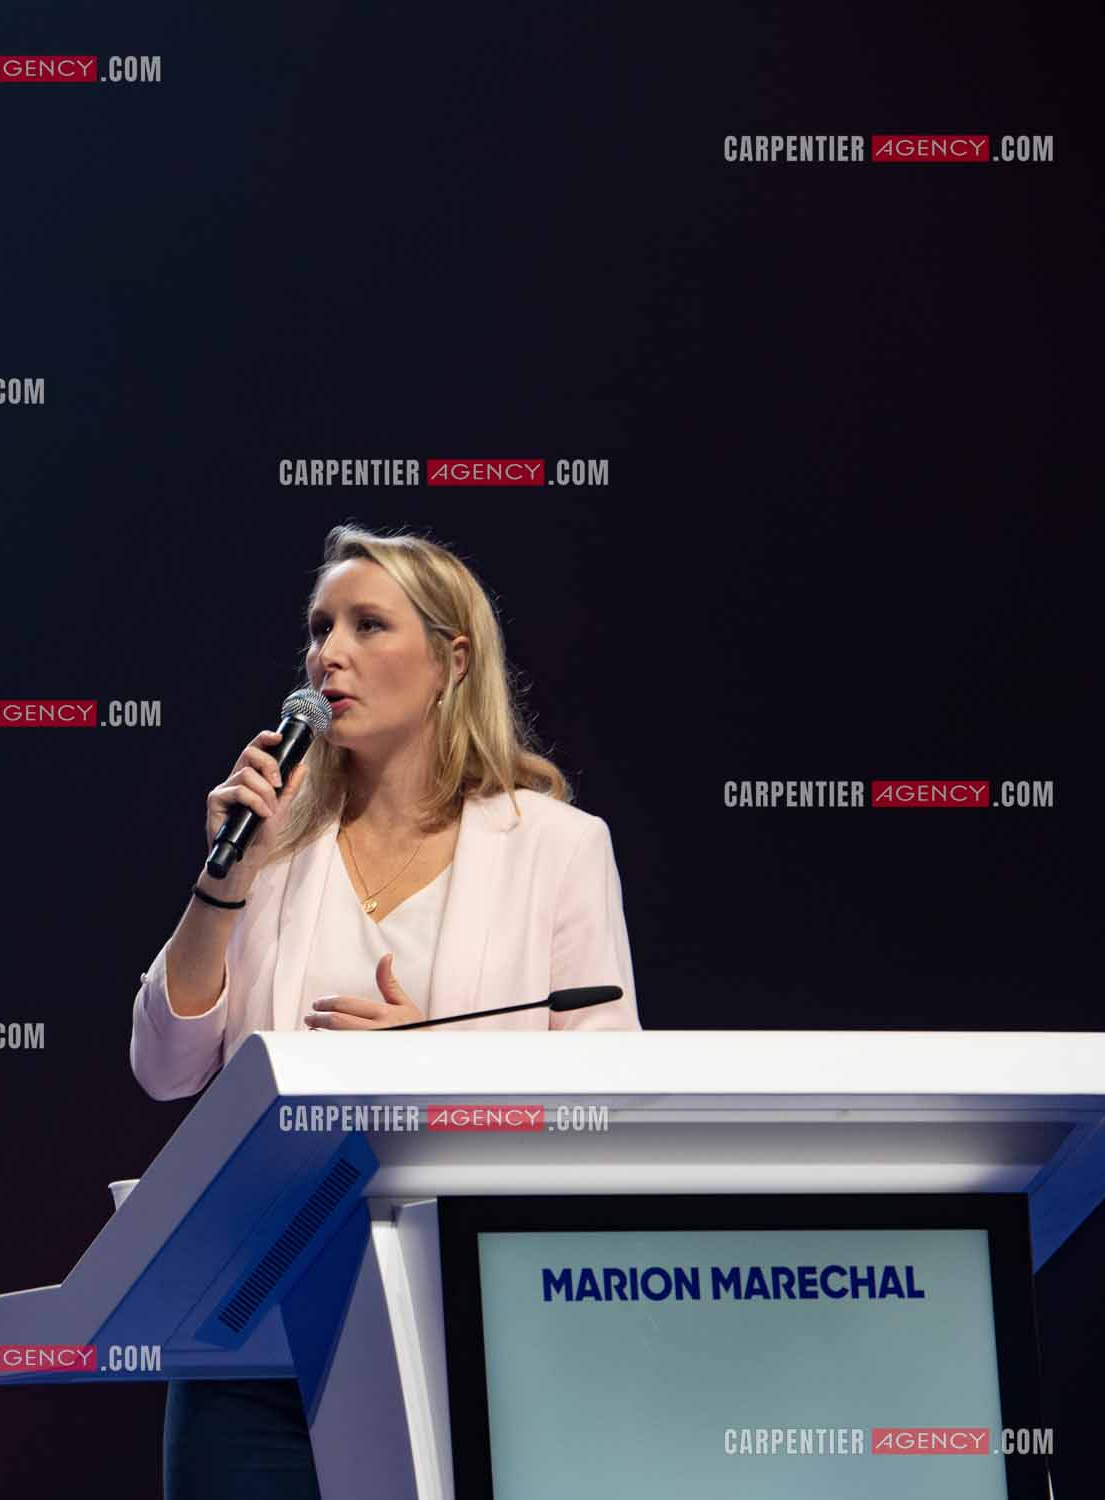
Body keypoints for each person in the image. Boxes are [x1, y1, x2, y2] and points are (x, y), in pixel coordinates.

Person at [131, 524, 641, 1499]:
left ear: (453, 661)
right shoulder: (273, 845)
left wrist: (431, 1072)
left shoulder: (558, 848)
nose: (329, 654)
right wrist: (222, 876)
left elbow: (605, 1100)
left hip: (472, 1328)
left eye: (369, 625)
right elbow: (163, 1064)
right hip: (259, 1334)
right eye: (321, 628)